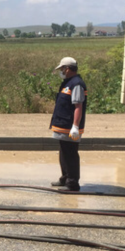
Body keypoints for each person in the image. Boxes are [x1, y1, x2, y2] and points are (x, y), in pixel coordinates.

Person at [49, 56, 87, 192]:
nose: (61, 72)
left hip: (69, 126)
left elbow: (78, 106)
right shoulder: (67, 82)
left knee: (70, 154)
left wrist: (75, 126)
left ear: (68, 69)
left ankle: (72, 183)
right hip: (62, 125)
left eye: (62, 69)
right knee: (64, 153)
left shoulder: (76, 84)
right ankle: (65, 178)